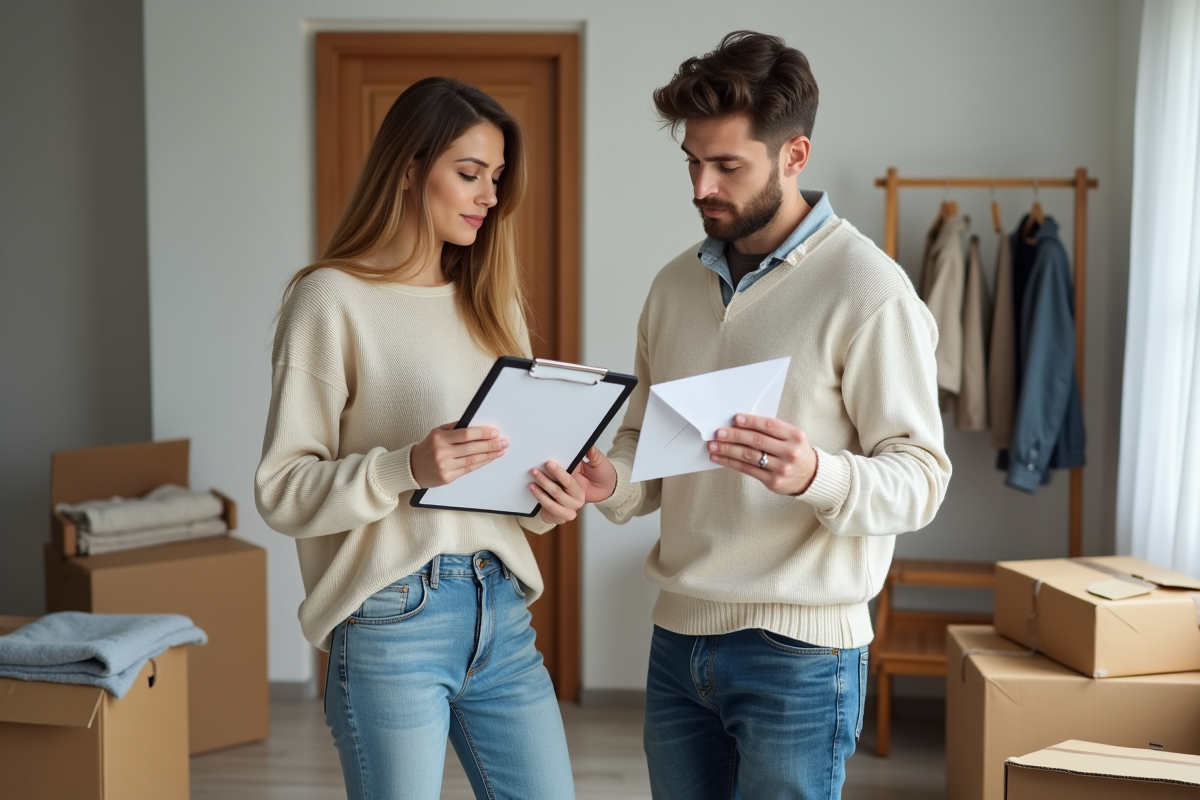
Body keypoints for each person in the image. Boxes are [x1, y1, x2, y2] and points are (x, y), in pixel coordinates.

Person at [572, 32, 953, 799]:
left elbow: (921, 479)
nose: (700, 186)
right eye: (692, 161)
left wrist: (816, 474)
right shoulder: (673, 286)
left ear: (794, 155)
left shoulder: (869, 290)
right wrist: (608, 481)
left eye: (727, 166)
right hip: (678, 640)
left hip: (800, 656)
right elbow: (646, 448)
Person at [255, 77, 586, 800]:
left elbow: (497, 484)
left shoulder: (492, 302)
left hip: (501, 608)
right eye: (469, 173)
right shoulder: (329, 299)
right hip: (390, 614)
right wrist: (404, 467)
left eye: (495, 178)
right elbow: (281, 492)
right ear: (408, 169)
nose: (488, 196)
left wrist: (546, 499)